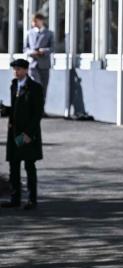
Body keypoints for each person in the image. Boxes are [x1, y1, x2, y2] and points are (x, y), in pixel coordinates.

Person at [0, 59, 44, 210]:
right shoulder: (14, 85)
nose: (15, 72)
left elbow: (37, 114)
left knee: (29, 165)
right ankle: (15, 198)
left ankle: (32, 199)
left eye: (18, 69)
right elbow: (16, 109)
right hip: (14, 133)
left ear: (26, 70)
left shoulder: (35, 88)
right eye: (14, 69)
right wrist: (4, 110)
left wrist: (29, 134)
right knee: (14, 165)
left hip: (27, 134)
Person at [24, 13, 53, 103]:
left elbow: (52, 48)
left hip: (44, 64)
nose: (34, 23)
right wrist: (32, 52)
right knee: (35, 85)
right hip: (32, 64)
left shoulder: (49, 33)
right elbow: (25, 48)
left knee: (44, 86)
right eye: (33, 21)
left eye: (36, 21)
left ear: (41, 21)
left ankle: (41, 108)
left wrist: (43, 51)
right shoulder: (29, 33)